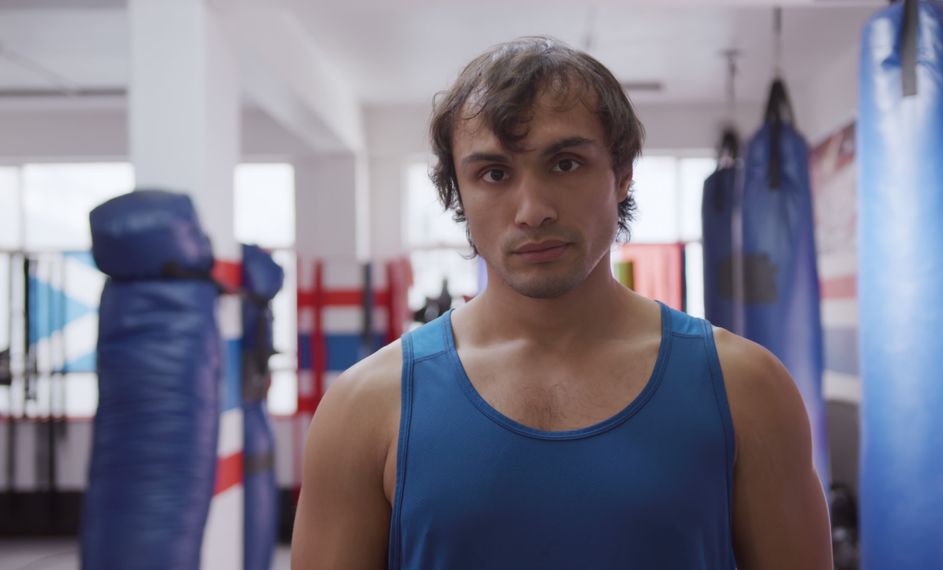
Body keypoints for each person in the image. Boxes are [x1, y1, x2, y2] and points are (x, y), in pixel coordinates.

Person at [292, 36, 832, 569]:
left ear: (621, 176)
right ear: (459, 193)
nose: (533, 209)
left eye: (565, 163)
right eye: (494, 173)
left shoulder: (747, 389)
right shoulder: (365, 408)